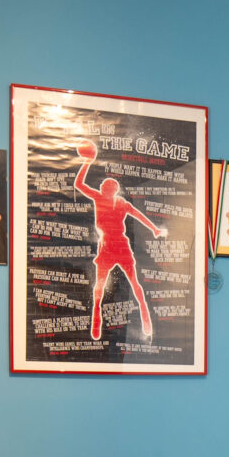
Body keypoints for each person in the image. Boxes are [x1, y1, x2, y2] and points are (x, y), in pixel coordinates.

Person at [74, 141, 164, 341]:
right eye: (103, 185)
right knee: (100, 285)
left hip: (118, 245)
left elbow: (138, 215)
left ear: (112, 189)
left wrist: (154, 228)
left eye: (106, 186)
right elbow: (79, 185)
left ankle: (144, 315)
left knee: (133, 283)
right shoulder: (100, 198)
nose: (102, 187)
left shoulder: (118, 202)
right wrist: (87, 162)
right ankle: (96, 316)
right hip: (108, 245)